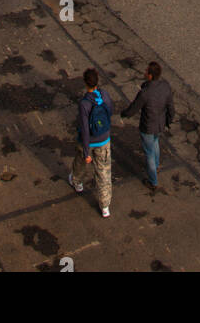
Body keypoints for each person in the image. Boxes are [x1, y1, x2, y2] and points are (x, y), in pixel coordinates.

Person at [122, 61, 174, 190]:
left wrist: (124, 114)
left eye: (146, 71)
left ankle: (153, 181)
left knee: (149, 152)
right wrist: (168, 121)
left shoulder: (145, 92)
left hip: (148, 126)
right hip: (160, 124)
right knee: (155, 143)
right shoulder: (165, 87)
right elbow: (171, 107)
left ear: (150, 75)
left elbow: (134, 108)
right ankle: (156, 166)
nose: (144, 73)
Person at [68, 68, 113, 217]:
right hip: (104, 139)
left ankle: (77, 182)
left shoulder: (84, 103)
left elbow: (85, 129)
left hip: (89, 141)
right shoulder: (104, 95)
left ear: (85, 82)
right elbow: (110, 111)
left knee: (80, 163)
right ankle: (105, 206)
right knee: (103, 172)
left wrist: (87, 151)